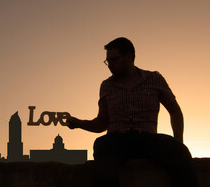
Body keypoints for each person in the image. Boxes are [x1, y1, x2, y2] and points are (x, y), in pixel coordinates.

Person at [66, 37, 199, 187]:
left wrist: (178, 142)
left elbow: (175, 111)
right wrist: (78, 123)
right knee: (102, 145)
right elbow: (101, 124)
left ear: (128, 57)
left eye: (114, 60)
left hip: (148, 139)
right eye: (107, 61)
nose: (110, 65)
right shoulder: (106, 86)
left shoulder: (154, 79)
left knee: (179, 151)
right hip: (117, 140)